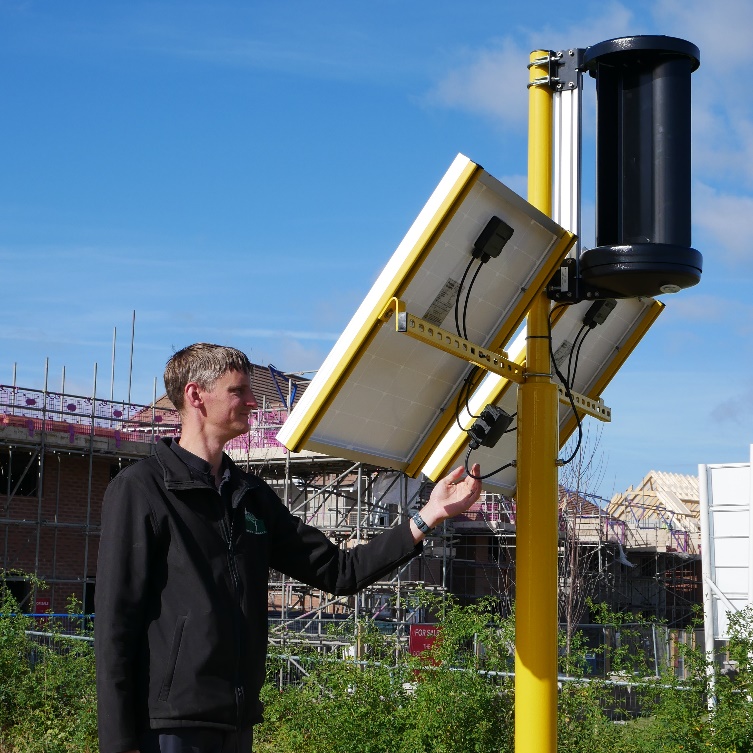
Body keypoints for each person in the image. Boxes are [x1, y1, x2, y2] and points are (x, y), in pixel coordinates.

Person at [95, 343, 481, 753]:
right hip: (170, 729)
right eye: (238, 391)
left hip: (236, 724)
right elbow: (116, 626)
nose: (253, 400)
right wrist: (119, 743)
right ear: (195, 396)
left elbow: (339, 571)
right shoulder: (141, 490)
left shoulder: (250, 496)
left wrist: (428, 516)